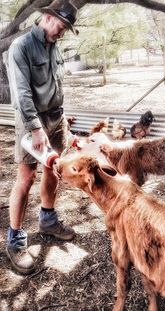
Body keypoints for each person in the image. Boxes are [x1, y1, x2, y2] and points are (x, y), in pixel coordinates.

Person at [6, 0, 79, 275]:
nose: (61, 33)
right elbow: (22, 94)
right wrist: (36, 129)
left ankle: (48, 220)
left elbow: (55, 85)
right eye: (61, 27)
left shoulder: (54, 45)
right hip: (31, 121)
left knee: (55, 170)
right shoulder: (20, 47)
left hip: (56, 118)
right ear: (48, 17)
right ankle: (14, 240)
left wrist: (63, 120)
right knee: (26, 178)